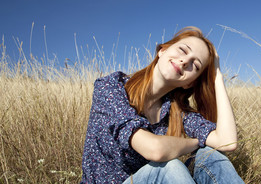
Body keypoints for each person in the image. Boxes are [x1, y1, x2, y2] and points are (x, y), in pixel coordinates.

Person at [81, 26, 244, 183]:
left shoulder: (176, 111)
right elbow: (155, 149)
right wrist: (197, 141)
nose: (184, 61)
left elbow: (227, 142)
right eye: (183, 50)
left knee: (211, 155)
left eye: (195, 65)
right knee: (169, 167)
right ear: (162, 50)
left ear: (189, 84)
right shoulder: (112, 87)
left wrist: (217, 78)